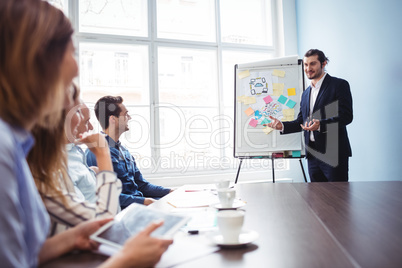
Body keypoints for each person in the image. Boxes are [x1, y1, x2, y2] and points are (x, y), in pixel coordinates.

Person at [0, 1, 171, 267]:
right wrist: (125, 261)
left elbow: (22, 253)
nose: (77, 68)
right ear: (36, 60)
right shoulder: (5, 148)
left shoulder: (16, 145)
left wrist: (69, 239)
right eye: (71, 52)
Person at [28, 84, 122, 235]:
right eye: (76, 113)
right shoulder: (47, 172)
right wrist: (103, 154)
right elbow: (102, 221)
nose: (89, 125)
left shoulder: (73, 155)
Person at [267, 49, 353, 182]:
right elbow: (302, 121)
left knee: (338, 199)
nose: (308, 68)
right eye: (306, 65)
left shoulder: (339, 85)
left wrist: (321, 125)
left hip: (334, 154)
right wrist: (282, 126)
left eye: (312, 64)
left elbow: (346, 116)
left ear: (323, 64)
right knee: (316, 199)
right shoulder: (306, 93)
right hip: (312, 155)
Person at [86, 96, 172, 208]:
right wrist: (144, 201)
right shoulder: (96, 152)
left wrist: (170, 191)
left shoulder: (124, 151)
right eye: (126, 114)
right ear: (113, 119)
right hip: (124, 211)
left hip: (139, 206)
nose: (129, 117)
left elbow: (142, 186)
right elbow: (104, 195)